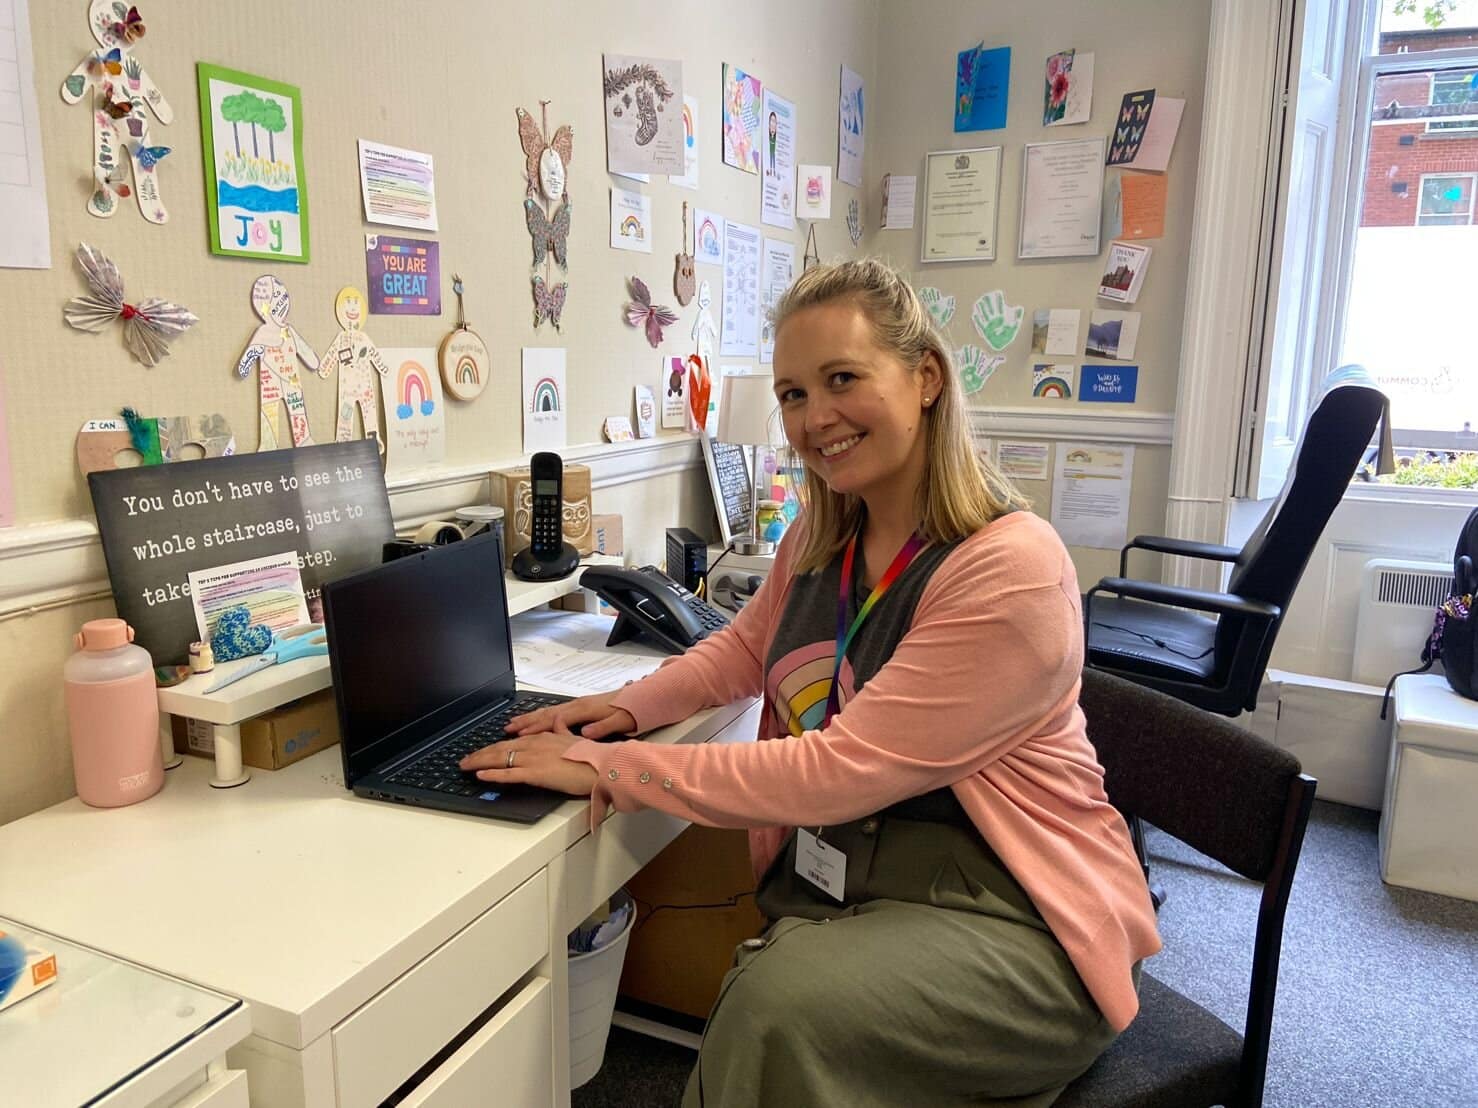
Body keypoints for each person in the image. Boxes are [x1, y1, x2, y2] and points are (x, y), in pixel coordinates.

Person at [462, 259, 1161, 1106]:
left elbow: (837, 770)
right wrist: (621, 709)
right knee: (778, 997)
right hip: (867, 873)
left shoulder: (1010, 570)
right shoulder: (825, 533)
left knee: (774, 1006)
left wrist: (615, 770)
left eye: (842, 380)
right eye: (793, 394)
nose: (812, 418)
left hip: (1017, 910)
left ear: (926, 378)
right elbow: (739, 652)